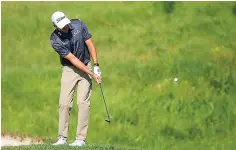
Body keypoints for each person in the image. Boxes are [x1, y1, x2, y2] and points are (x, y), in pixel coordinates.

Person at [49, 11, 102, 146]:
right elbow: (72, 59)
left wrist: (96, 66)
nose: (65, 27)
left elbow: (90, 44)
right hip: (69, 69)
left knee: (83, 103)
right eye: (62, 26)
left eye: (66, 24)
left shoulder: (78, 25)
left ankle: (80, 140)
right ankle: (62, 138)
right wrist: (91, 74)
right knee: (64, 103)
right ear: (55, 26)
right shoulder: (55, 40)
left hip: (86, 64)